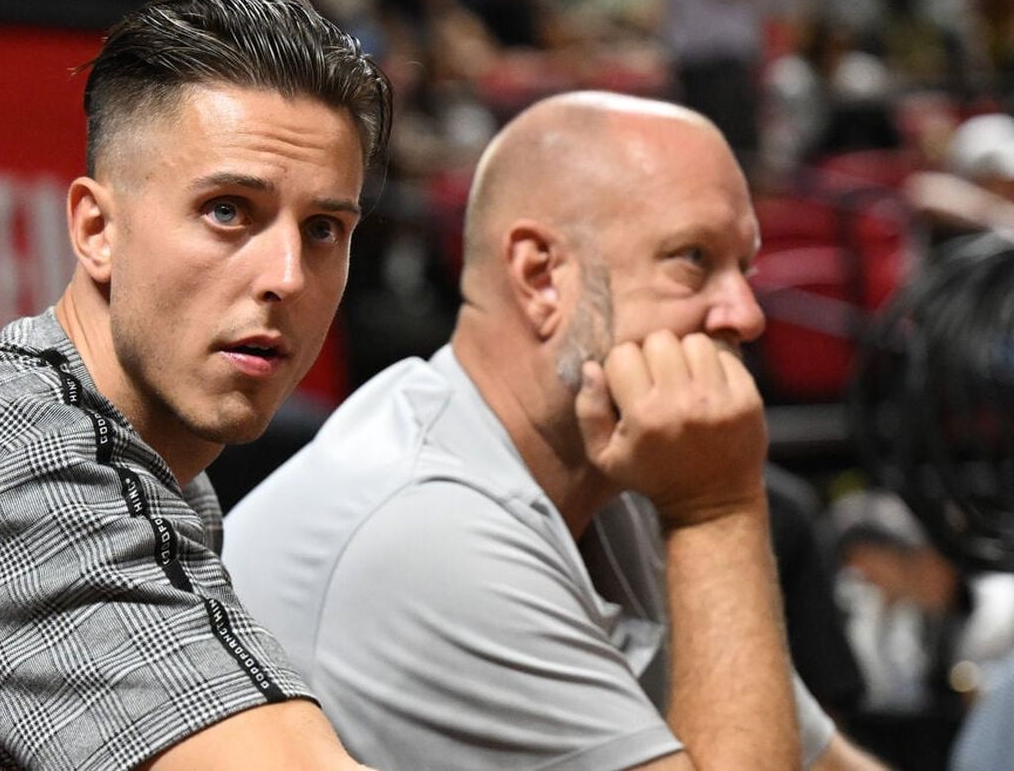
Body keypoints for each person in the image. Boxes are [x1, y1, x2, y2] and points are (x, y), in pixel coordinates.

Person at [0, 0, 391, 770]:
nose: (287, 276)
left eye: (325, 229)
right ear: (96, 230)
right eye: (228, 210)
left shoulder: (98, 444)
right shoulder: (25, 461)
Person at [224, 91, 885, 770]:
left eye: (743, 269)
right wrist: (717, 513)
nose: (746, 314)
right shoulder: (421, 529)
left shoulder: (625, 470)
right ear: (541, 276)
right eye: (693, 259)